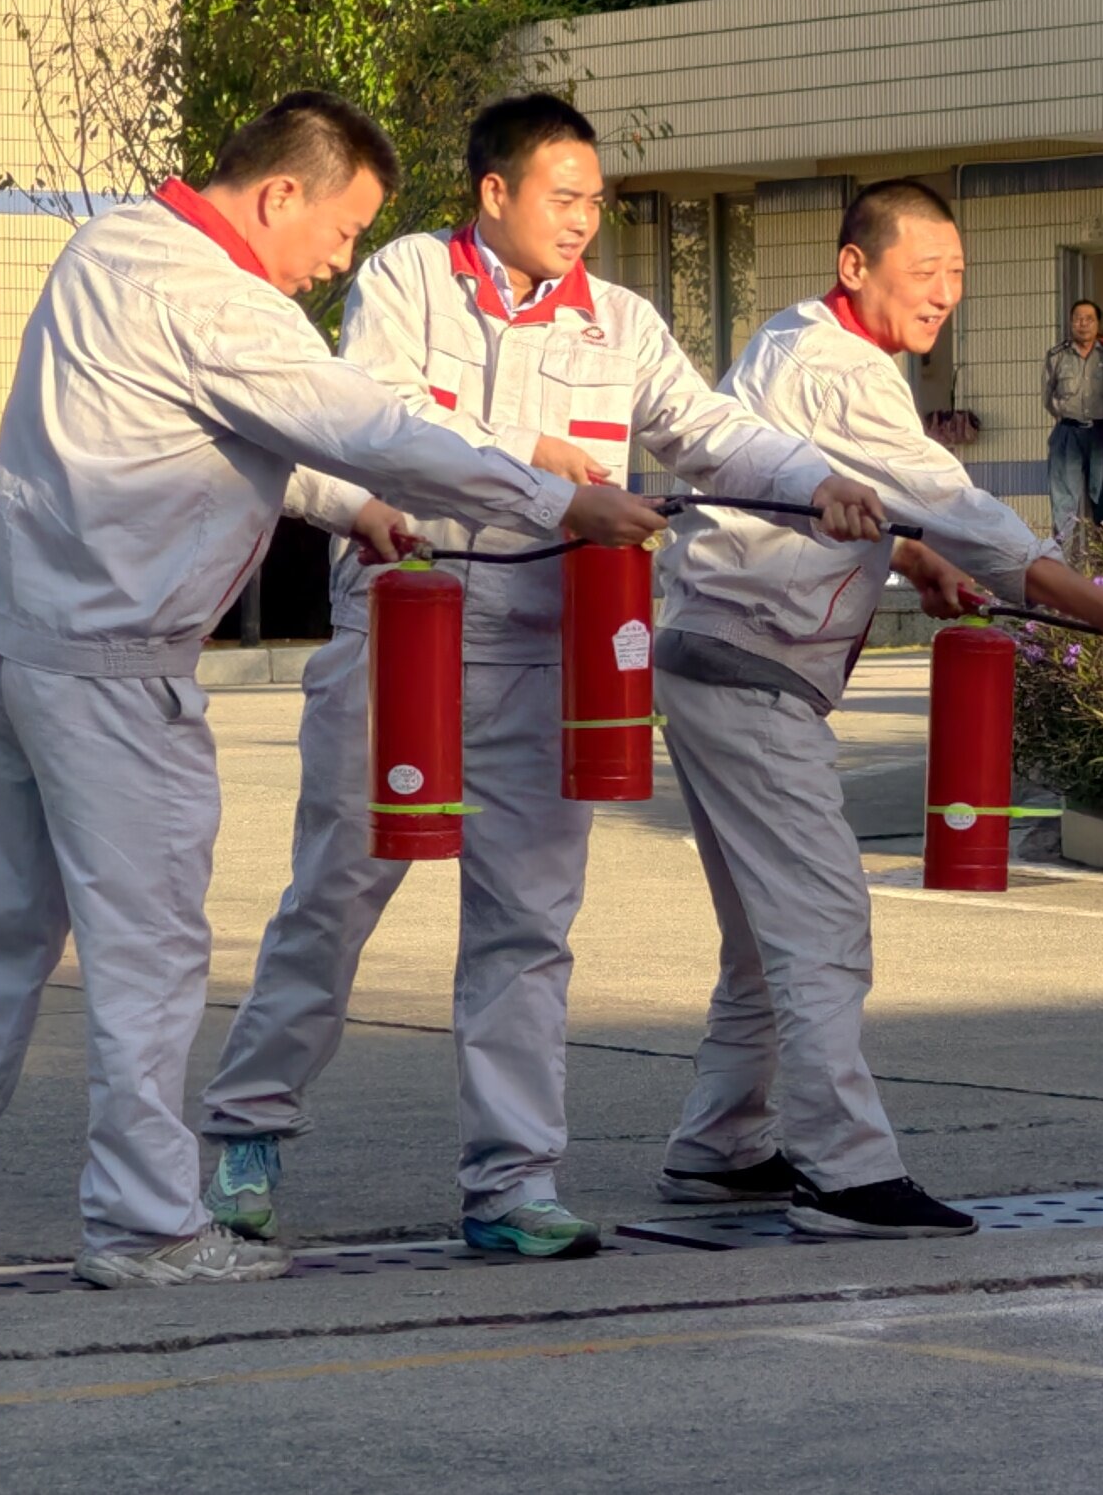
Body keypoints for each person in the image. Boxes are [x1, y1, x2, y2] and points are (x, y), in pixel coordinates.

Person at [0, 93, 668, 1290]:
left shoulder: (112, 244)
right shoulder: (227, 304)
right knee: (151, 954)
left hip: (9, 635)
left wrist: (353, 507)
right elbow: (369, 425)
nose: (339, 259)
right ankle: (144, 1223)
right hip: (113, 666)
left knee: (7, 916)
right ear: (281, 193)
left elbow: (237, 433)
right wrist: (553, 497)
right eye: (341, 229)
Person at [192, 96, 887, 1260]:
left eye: (596, 202)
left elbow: (708, 429)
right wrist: (533, 457)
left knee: (526, 923)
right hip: (402, 633)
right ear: (494, 192)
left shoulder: (619, 322)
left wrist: (812, 478)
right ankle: (245, 1133)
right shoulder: (409, 278)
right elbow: (370, 415)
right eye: (563, 197)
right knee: (335, 899)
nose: (582, 221)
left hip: (542, 648)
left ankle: (512, 1181)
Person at [648, 179, 1103, 1237]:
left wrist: (913, 557)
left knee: (765, 931)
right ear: (856, 265)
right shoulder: (845, 370)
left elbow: (833, 496)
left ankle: (722, 1145)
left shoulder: (793, 337)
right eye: (924, 268)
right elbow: (962, 507)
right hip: (752, 665)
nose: (944, 290)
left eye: (958, 272)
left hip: (712, 651)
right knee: (822, 919)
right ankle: (845, 1172)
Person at [1041, 299, 1103, 553]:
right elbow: (1048, 397)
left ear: (1098, 324)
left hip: (1100, 433)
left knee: (1102, 501)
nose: (1083, 324)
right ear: (1071, 322)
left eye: (1089, 319)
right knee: (1065, 503)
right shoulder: (1057, 356)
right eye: (1078, 318)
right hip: (1067, 432)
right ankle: (1064, 561)